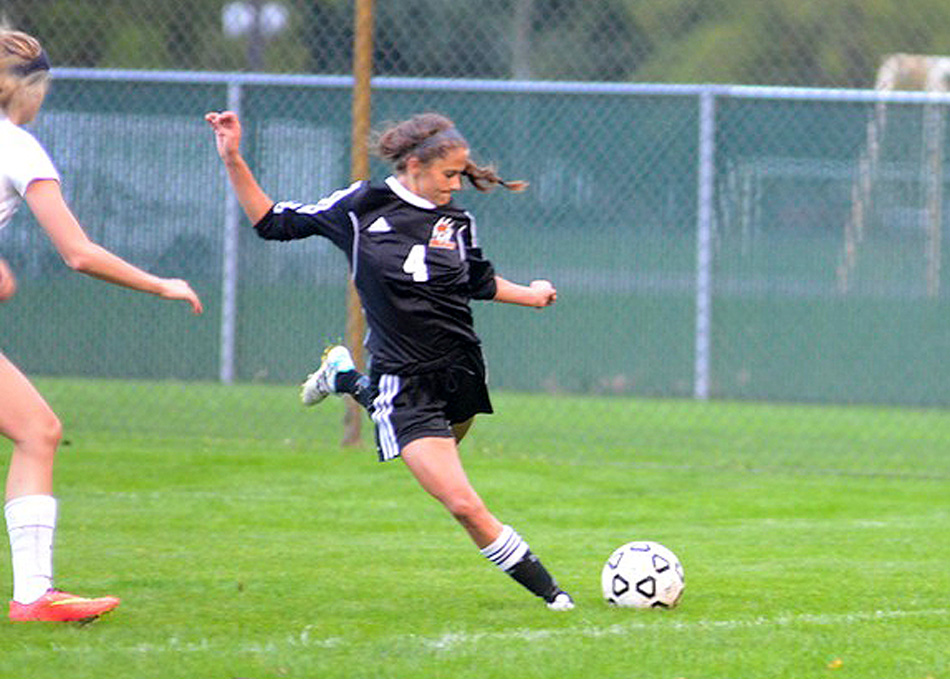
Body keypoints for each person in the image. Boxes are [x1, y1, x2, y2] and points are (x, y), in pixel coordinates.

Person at [206, 109, 574, 610]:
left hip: (463, 372)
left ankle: (343, 376)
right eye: (450, 175)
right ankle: (556, 598)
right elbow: (271, 223)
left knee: (447, 462)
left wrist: (532, 295)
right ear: (416, 165)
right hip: (406, 385)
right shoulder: (361, 206)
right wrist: (233, 159)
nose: (457, 185)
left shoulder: (457, 221)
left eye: (462, 175)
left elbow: (479, 283)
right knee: (464, 504)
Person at [1, 29, 204, 622]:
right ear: (30, 90)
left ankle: (35, 595)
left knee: (36, 430)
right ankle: (34, 597)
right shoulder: (20, 148)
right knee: (38, 432)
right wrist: (161, 283)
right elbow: (79, 253)